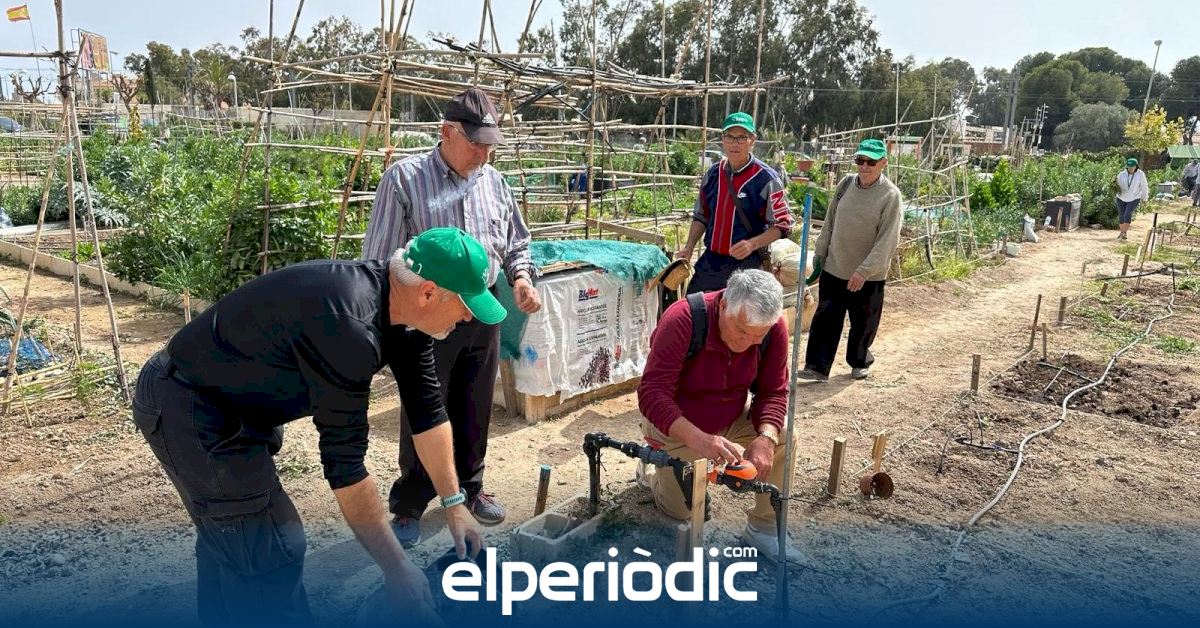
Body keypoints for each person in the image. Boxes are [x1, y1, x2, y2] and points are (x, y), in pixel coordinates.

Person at [131, 228, 500, 624]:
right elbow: (346, 469)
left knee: (234, 540)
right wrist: (397, 570)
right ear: (428, 293)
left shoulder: (405, 318)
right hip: (191, 407)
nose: (468, 317)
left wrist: (453, 503)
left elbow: (428, 413)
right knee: (272, 549)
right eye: (465, 305)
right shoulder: (349, 327)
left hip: (230, 406)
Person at [361, 87, 542, 547]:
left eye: (490, 145)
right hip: (428, 313)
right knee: (425, 402)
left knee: (475, 400)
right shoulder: (405, 180)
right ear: (447, 132)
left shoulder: (494, 183)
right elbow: (379, 259)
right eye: (476, 143)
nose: (484, 154)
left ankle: (471, 487)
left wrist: (521, 278)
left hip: (481, 307)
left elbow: (517, 242)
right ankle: (411, 501)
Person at [636, 269, 803, 564]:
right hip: (678, 424)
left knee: (784, 434)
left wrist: (766, 438)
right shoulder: (683, 319)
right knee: (682, 511)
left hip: (730, 416)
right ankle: (651, 469)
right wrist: (700, 440)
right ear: (724, 304)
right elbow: (652, 394)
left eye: (758, 336)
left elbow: (774, 391)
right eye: (741, 330)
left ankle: (764, 528)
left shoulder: (774, 326)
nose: (747, 342)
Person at [797, 138, 902, 382]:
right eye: (860, 160)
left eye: (871, 162)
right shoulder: (845, 184)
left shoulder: (890, 195)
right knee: (826, 317)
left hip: (868, 275)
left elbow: (887, 240)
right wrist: (820, 254)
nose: (864, 166)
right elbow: (830, 222)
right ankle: (817, 367)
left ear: (883, 163)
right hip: (835, 265)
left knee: (863, 321)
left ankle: (859, 361)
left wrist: (864, 270)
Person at [676, 112, 793, 294]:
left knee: (738, 312)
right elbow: (701, 217)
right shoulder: (713, 174)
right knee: (693, 307)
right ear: (723, 139)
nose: (734, 143)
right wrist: (689, 247)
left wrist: (752, 244)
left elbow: (783, 225)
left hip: (747, 266)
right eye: (730, 137)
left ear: (752, 140)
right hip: (711, 262)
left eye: (741, 138)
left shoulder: (766, 179)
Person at [1115, 157, 1149, 240]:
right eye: (1129, 166)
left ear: (1136, 166)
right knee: (1121, 215)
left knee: (1127, 214)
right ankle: (1122, 232)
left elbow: (1144, 187)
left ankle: (1124, 232)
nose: (1130, 168)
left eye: (1132, 167)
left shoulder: (1140, 175)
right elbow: (1116, 185)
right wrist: (1113, 183)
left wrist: (1144, 199)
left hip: (1134, 198)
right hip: (1121, 197)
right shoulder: (1121, 174)